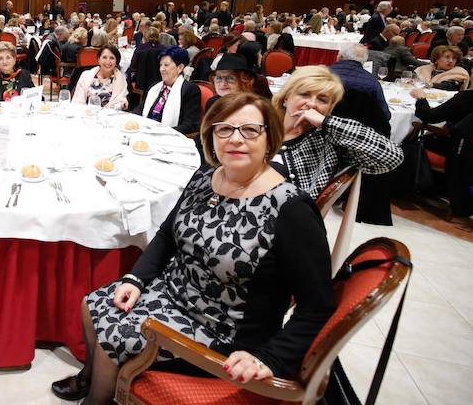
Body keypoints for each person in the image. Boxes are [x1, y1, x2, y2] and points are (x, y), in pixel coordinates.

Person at [51, 92, 334, 403]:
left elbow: (317, 307)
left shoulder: (291, 209)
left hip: (223, 330)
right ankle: (91, 377)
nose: (235, 139)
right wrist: (136, 279)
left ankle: (97, 398)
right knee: (92, 304)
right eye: (224, 129)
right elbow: (167, 234)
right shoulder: (206, 176)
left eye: (250, 130)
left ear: (270, 139)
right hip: (173, 293)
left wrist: (270, 358)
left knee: (115, 337)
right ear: (211, 136)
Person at [270, 66, 403, 199]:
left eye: (322, 100)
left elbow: (392, 157)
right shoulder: (265, 126)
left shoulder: (329, 140)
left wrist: (326, 122)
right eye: (304, 94)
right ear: (286, 98)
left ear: (329, 108)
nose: (312, 104)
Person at [409, 88, 473, 216]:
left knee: (411, 142)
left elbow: (429, 116)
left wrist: (421, 98)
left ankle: (407, 185)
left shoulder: (467, 97)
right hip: (465, 154)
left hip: (458, 154)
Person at [138, 46, 201, 134]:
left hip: (168, 136)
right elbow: (140, 109)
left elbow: (190, 125)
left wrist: (163, 132)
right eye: (160, 65)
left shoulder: (189, 90)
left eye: (166, 65)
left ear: (180, 68)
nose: (161, 69)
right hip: (145, 130)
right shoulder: (155, 87)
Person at [329, 43, 390, 120]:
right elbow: (385, 115)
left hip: (322, 122)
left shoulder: (321, 74)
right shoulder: (372, 82)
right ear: (364, 61)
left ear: (339, 57)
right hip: (357, 125)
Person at [72, 45, 128, 109]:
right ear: (98, 59)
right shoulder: (86, 75)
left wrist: (122, 104)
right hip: (87, 112)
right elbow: (78, 101)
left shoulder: (120, 79)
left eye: (112, 58)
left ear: (116, 62)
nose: (108, 61)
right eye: (104, 57)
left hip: (110, 114)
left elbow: (122, 100)